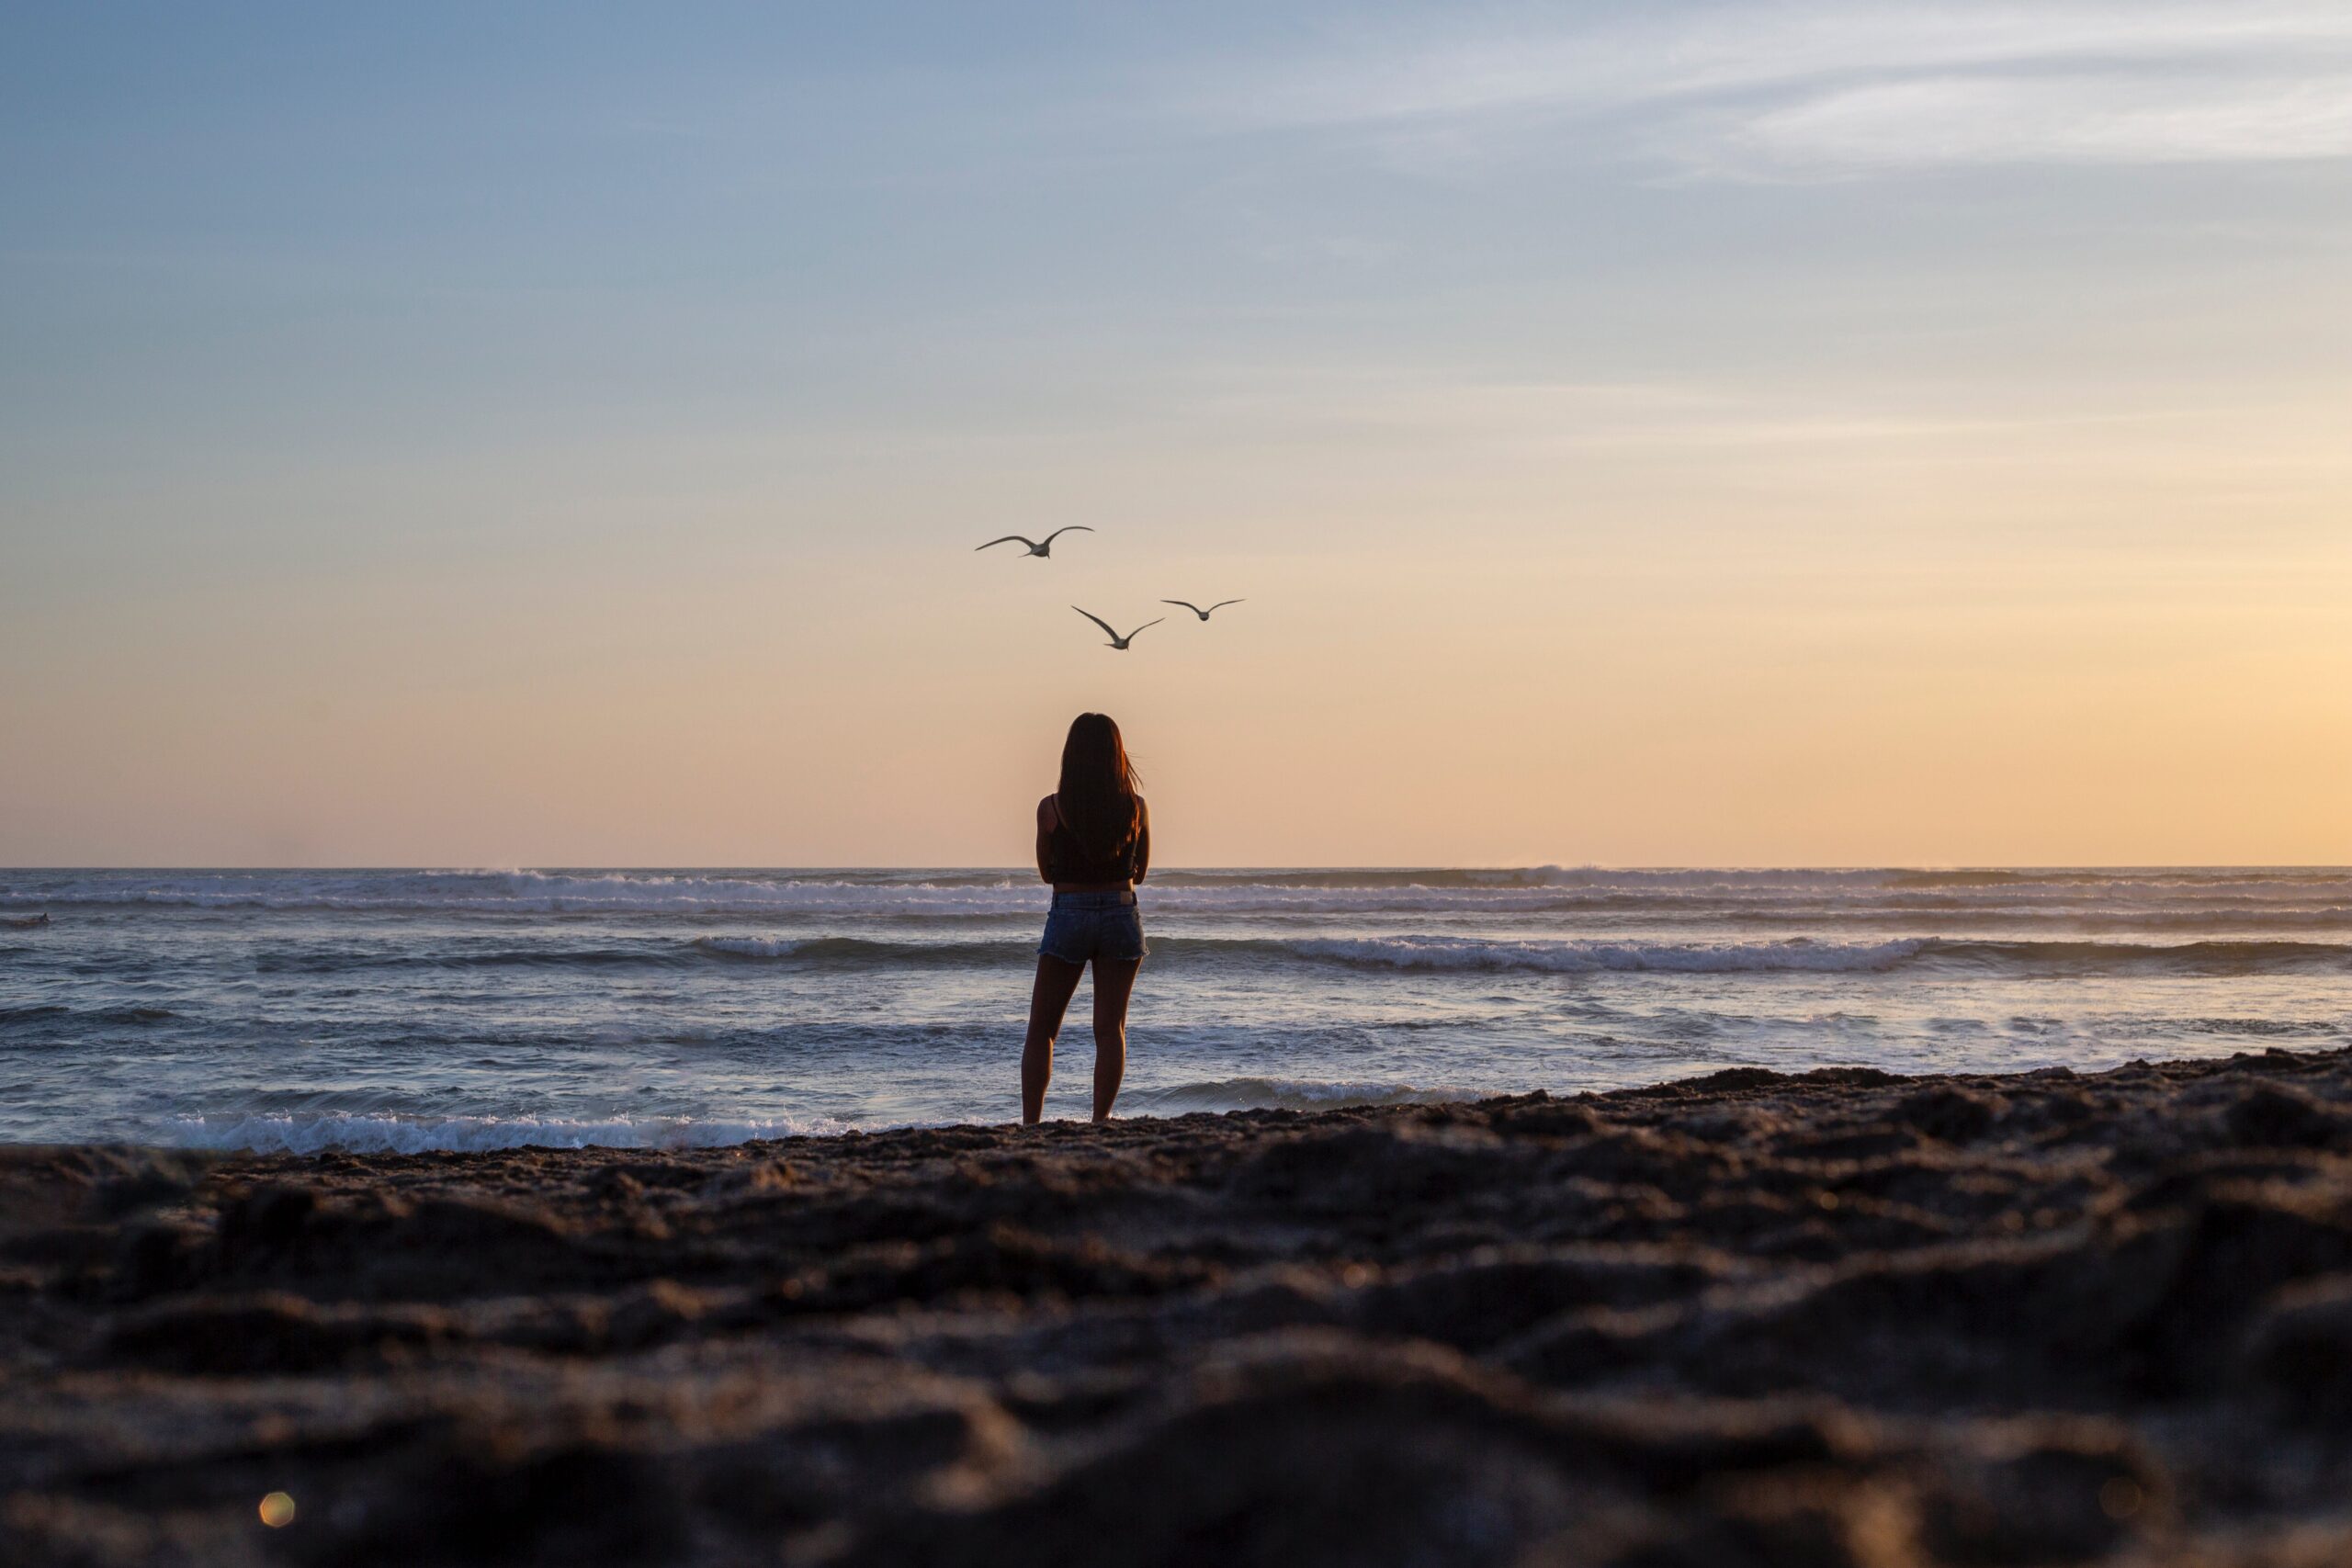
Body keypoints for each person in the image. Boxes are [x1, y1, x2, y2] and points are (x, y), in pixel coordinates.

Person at [1023, 713, 1149, 1123]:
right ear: (1118, 754)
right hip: (1119, 911)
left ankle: (1031, 1124)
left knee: (1043, 1028)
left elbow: (1047, 874)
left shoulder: (1051, 808)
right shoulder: (1136, 807)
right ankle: (1099, 1121)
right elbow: (1140, 873)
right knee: (1110, 1030)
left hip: (1070, 913)